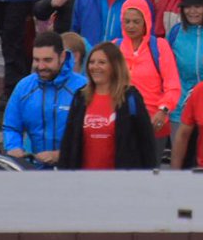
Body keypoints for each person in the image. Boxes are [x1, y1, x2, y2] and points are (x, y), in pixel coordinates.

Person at [59, 41, 157, 170]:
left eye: (102, 62)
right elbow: (68, 143)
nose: (95, 67)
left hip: (120, 183)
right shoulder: (80, 97)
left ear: (114, 66)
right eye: (92, 62)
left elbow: (146, 143)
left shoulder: (130, 98)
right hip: (84, 182)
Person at [2, 31, 87, 168]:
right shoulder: (24, 87)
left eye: (47, 60)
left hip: (74, 171)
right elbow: (11, 126)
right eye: (36, 60)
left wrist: (60, 154)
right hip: (35, 172)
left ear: (62, 57)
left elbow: (91, 135)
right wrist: (14, 147)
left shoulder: (83, 87)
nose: (41, 67)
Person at [116, 0, 181, 155]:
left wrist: (163, 110)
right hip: (121, 123)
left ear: (146, 21)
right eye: (127, 21)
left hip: (154, 123)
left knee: (150, 173)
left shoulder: (159, 46)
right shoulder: (115, 46)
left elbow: (172, 85)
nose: (131, 26)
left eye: (136, 21)